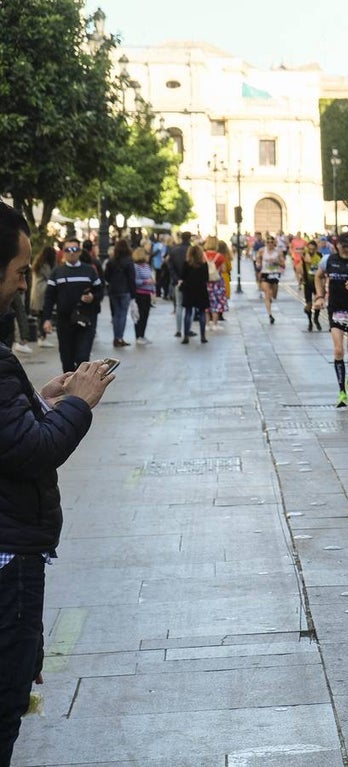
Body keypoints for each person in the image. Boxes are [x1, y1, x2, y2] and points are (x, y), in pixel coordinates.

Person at [0, 201, 116, 764]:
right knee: (7, 702)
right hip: (9, 557)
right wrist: (79, 404)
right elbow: (29, 451)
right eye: (21, 271)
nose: (26, 284)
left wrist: (40, 401)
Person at [314, 232, 348, 407]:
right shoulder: (328, 260)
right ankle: (341, 392)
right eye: (343, 246)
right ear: (337, 246)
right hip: (335, 310)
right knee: (338, 351)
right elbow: (318, 275)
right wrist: (320, 296)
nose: (346, 250)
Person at [41, 238, 103, 373]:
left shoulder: (89, 271)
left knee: (82, 357)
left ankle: (81, 388)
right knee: (67, 360)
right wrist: (47, 319)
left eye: (74, 250)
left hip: (85, 321)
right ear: (63, 252)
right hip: (64, 322)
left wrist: (93, 297)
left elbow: (100, 291)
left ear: (80, 251)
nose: (71, 253)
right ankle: (69, 388)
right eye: (68, 250)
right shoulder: (57, 272)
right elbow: (49, 297)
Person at [104, 238, 136, 348]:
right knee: (122, 315)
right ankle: (119, 337)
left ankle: (116, 337)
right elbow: (132, 278)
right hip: (125, 290)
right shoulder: (128, 261)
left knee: (116, 314)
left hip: (113, 290)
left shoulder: (111, 261)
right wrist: (133, 293)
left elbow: (106, 276)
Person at [180, 244, 210, 344]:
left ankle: (186, 335)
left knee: (188, 313)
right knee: (202, 313)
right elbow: (206, 278)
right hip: (201, 290)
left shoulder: (186, 264)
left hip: (188, 290)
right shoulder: (204, 265)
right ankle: (203, 336)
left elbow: (182, 276)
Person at [28, 246, 56, 349]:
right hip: (42, 292)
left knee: (41, 315)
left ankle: (42, 337)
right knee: (43, 315)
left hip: (36, 292)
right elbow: (50, 276)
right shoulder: (45, 265)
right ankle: (42, 338)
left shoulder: (38, 262)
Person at [131, 245, 156, 345]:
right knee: (139, 316)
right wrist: (146, 282)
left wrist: (153, 290)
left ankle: (142, 334)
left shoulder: (147, 266)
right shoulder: (136, 267)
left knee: (145, 315)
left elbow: (151, 277)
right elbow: (135, 281)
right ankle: (138, 335)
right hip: (139, 294)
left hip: (147, 294)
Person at [168, 232, 191, 338]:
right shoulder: (193, 250)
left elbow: (170, 267)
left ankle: (178, 330)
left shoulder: (174, 250)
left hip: (178, 282)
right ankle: (188, 329)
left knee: (179, 305)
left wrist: (177, 279)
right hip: (190, 282)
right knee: (190, 307)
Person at [257, 237, 285, 324]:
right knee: (267, 293)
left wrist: (276, 262)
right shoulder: (262, 250)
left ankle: (270, 298)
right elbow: (258, 261)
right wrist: (258, 266)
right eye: (267, 242)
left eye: (271, 242)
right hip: (265, 273)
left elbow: (283, 264)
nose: (269, 244)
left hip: (275, 273)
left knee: (274, 295)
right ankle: (270, 315)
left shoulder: (278, 252)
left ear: (274, 243)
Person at [204, 236, 228, 332]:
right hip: (216, 283)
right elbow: (223, 269)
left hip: (205, 282)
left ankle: (206, 324)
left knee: (206, 303)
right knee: (216, 303)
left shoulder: (203, 255)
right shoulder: (220, 256)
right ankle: (214, 324)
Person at [301, 240, 324, 331]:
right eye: (309, 249)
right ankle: (310, 321)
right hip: (308, 283)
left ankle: (316, 319)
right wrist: (306, 252)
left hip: (317, 283)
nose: (311, 251)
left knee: (318, 303)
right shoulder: (305, 255)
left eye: (313, 249)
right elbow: (308, 260)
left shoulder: (319, 256)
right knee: (309, 304)